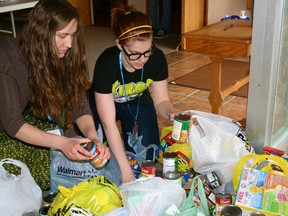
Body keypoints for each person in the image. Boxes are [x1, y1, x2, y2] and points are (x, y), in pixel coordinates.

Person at [0, 0, 110, 190]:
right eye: (62, 36)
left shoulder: (63, 53)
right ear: (40, 32)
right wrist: (63, 143)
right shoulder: (6, 57)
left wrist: (93, 137)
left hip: (29, 117)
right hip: (5, 127)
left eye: (73, 35)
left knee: (50, 173)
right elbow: (12, 122)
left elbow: (78, 104)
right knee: (15, 179)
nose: (69, 43)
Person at [89, 2, 174, 184]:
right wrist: (124, 169)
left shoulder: (157, 58)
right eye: (134, 54)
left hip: (135, 102)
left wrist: (170, 113)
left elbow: (161, 100)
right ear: (119, 45)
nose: (142, 60)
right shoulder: (106, 62)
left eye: (147, 52)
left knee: (147, 156)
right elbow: (108, 122)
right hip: (103, 105)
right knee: (97, 154)